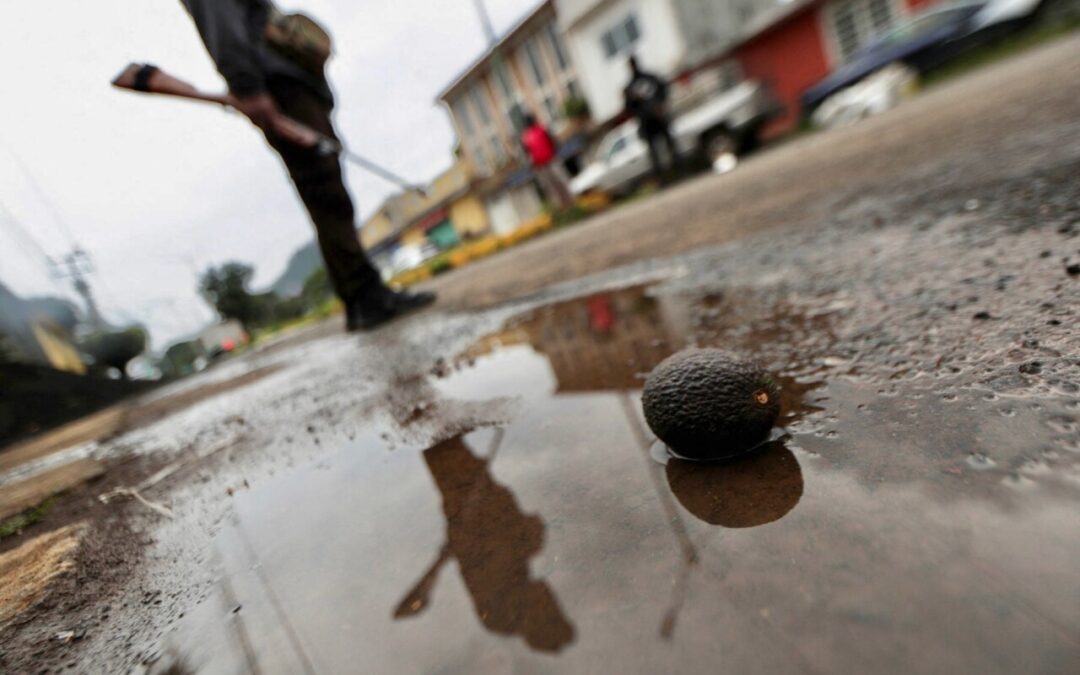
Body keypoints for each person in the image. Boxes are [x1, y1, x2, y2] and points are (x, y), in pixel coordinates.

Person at [179, 0, 434, 331]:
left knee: (327, 195)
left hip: (283, 84)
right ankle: (366, 297)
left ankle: (362, 297)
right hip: (278, 86)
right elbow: (223, 27)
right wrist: (249, 89)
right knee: (326, 193)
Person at [623, 55, 680, 182]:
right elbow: (628, 108)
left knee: (671, 145)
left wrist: (661, 105)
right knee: (654, 153)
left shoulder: (650, 78)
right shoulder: (629, 88)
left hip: (659, 118)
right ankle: (663, 179)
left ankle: (680, 172)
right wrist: (633, 102)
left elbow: (664, 89)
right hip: (646, 123)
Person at [520, 114, 574, 210]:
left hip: (549, 161)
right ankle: (563, 206)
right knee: (553, 185)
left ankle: (571, 201)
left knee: (559, 182)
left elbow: (552, 141)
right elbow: (527, 153)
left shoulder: (538, 131)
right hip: (542, 165)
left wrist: (555, 152)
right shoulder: (528, 136)